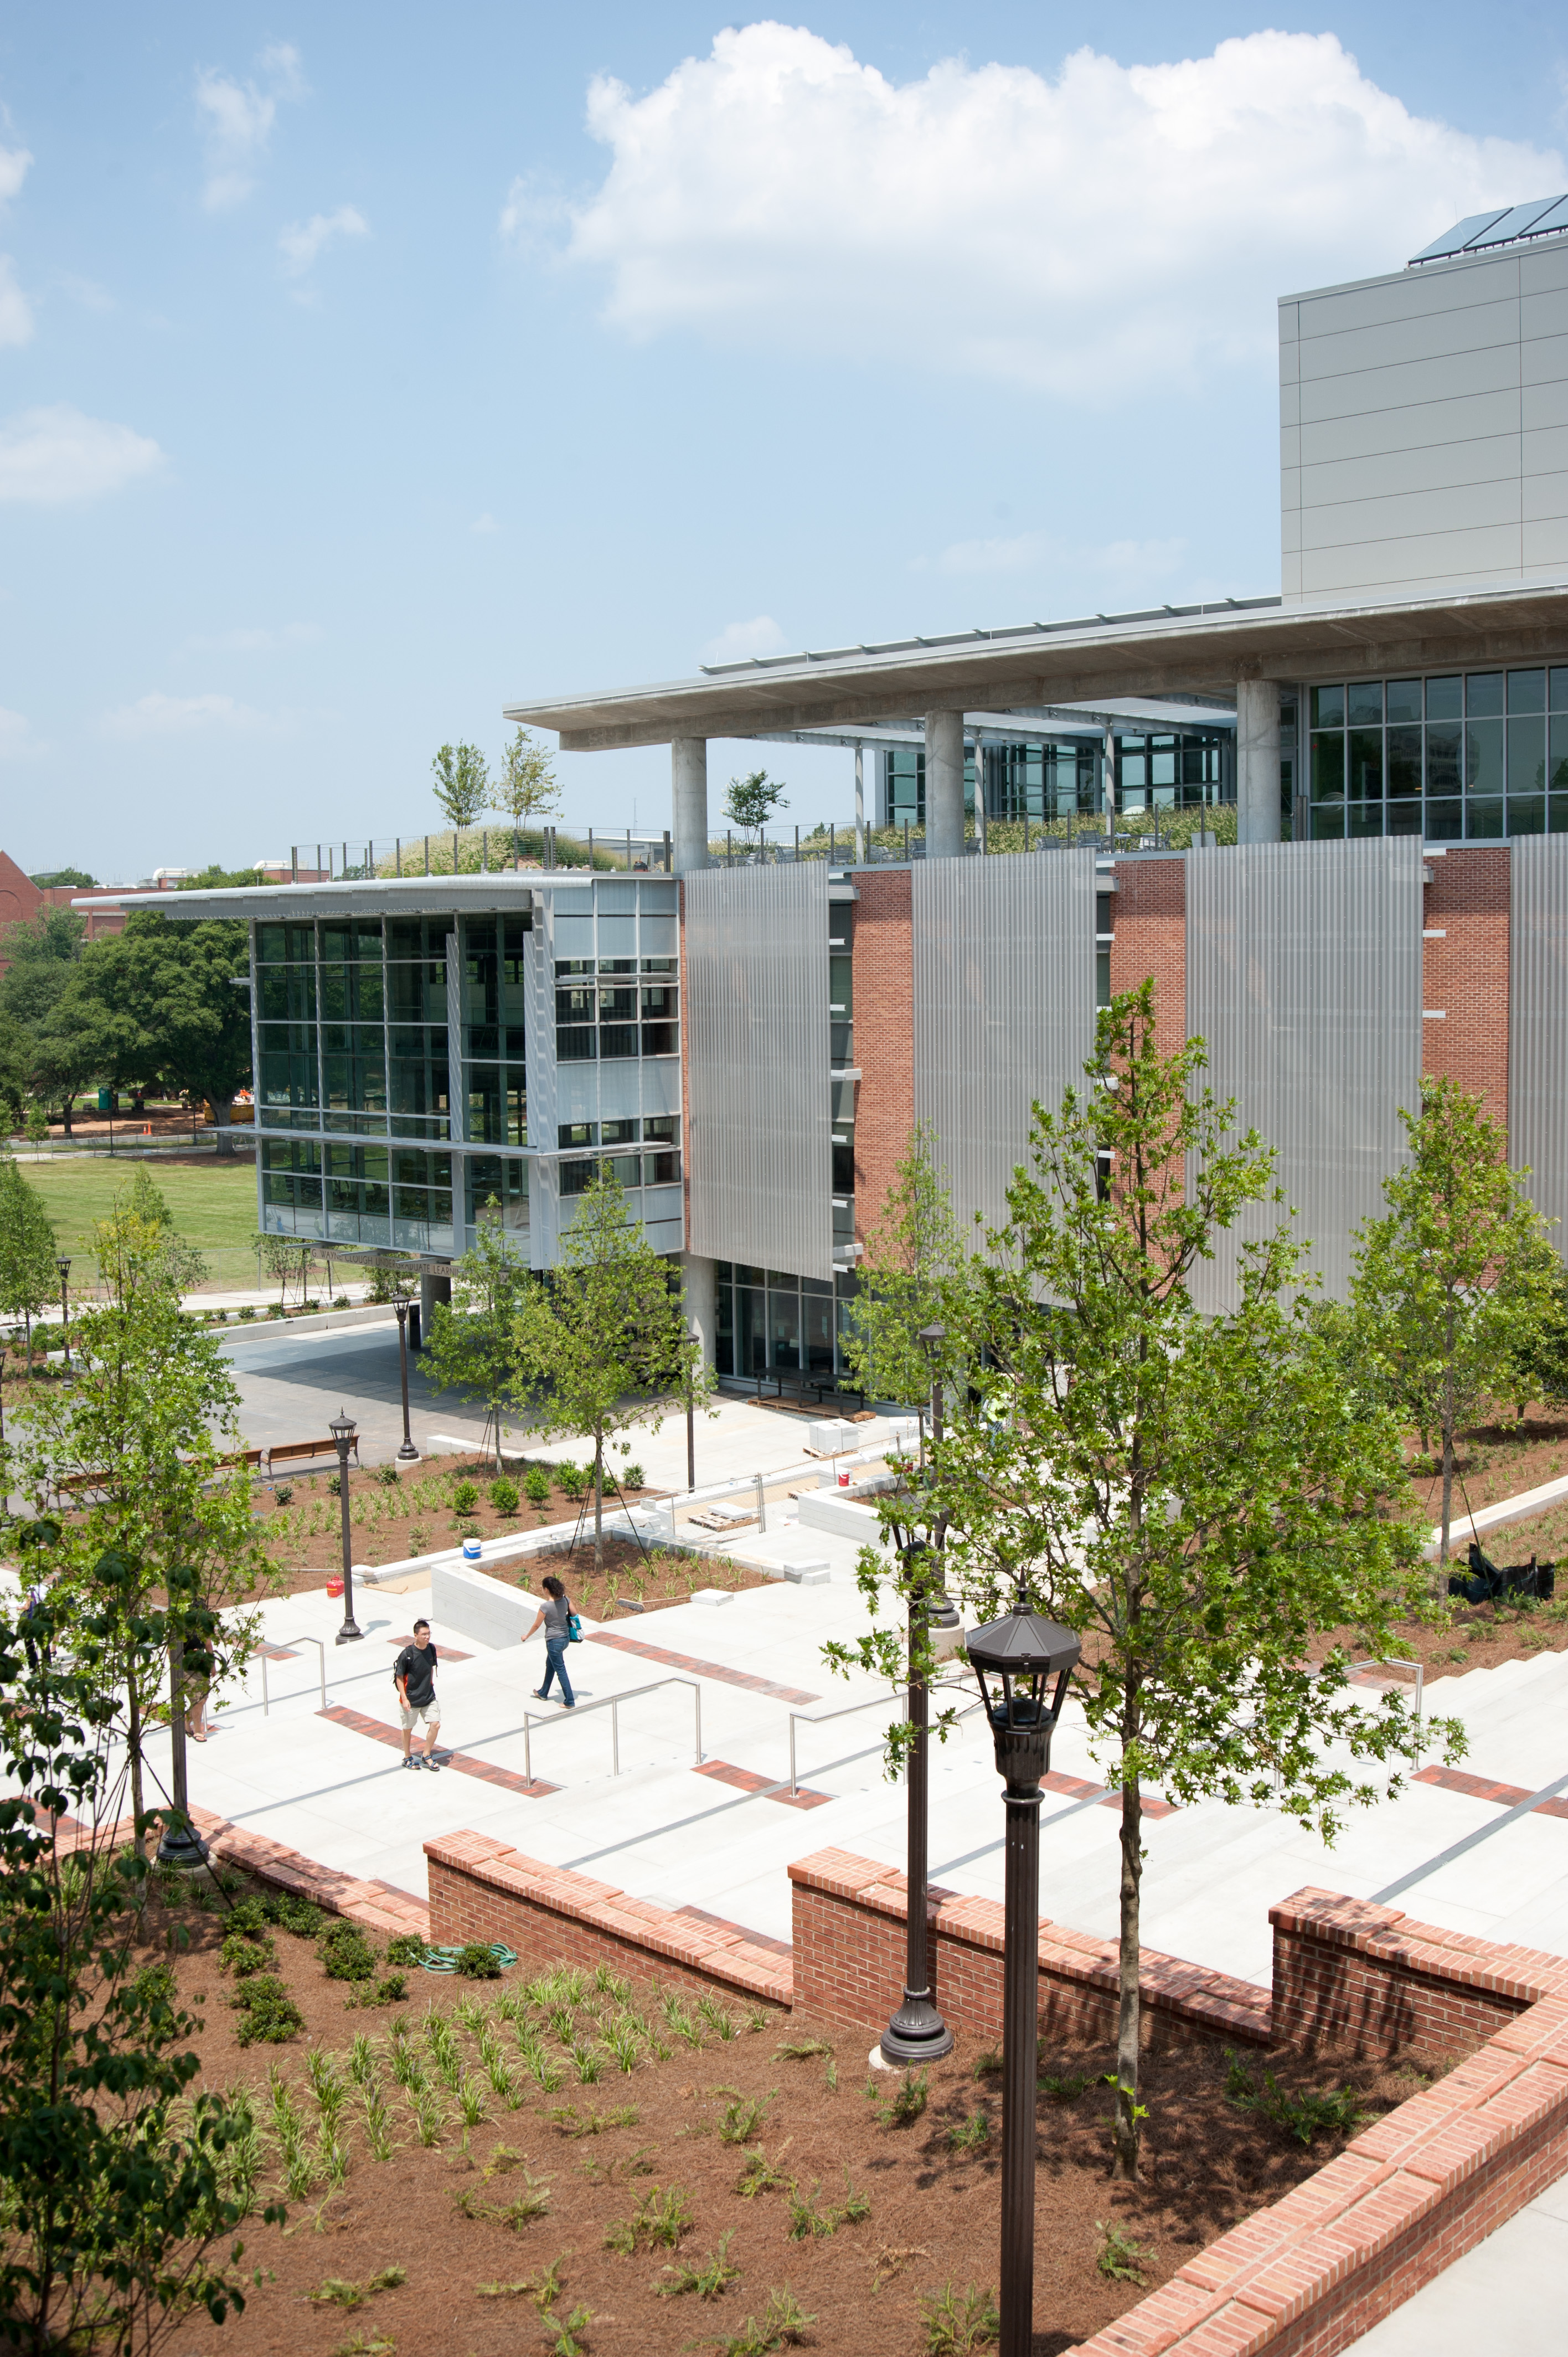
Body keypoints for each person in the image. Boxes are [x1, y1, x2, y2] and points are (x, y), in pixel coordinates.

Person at [394, 1618, 442, 1768]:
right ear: (416, 1636)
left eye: (429, 1634)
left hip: (428, 1697)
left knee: (436, 1724)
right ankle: (407, 1757)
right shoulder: (407, 1654)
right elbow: (399, 1677)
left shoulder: (431, 1649)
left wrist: (430, 1684)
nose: (427, 1637)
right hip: (411, 1699)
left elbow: (431, 1668)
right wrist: (404, 1698)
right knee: (408, 1728)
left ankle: (426, 1754)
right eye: (424, 1634)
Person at [522, 1575, 576, 1708]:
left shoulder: (545, 1607)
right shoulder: (566, 1600)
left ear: (546, 1590)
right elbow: (575, 1614)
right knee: (550, 1664)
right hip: (565, 1639)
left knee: (561, 1670)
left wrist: (526, 1636)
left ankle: (569, 1701)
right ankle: (543, 1692)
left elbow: (536, 1625)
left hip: (554, 1641)